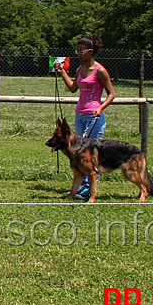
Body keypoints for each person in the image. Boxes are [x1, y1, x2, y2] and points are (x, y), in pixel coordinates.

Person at [55, 35, 115, 199]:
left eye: (81, 51)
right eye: (77, 50)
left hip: (94, 116)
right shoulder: (80, 69)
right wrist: (62, 73)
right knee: (78, 152)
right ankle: (79, 187)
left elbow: (111, 94)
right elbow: (73, 88)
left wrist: (101, 107)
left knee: (91, 154)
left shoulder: (100, 70)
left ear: (91, 51)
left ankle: (89, 188)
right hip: (80, 115)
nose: (78, 54)